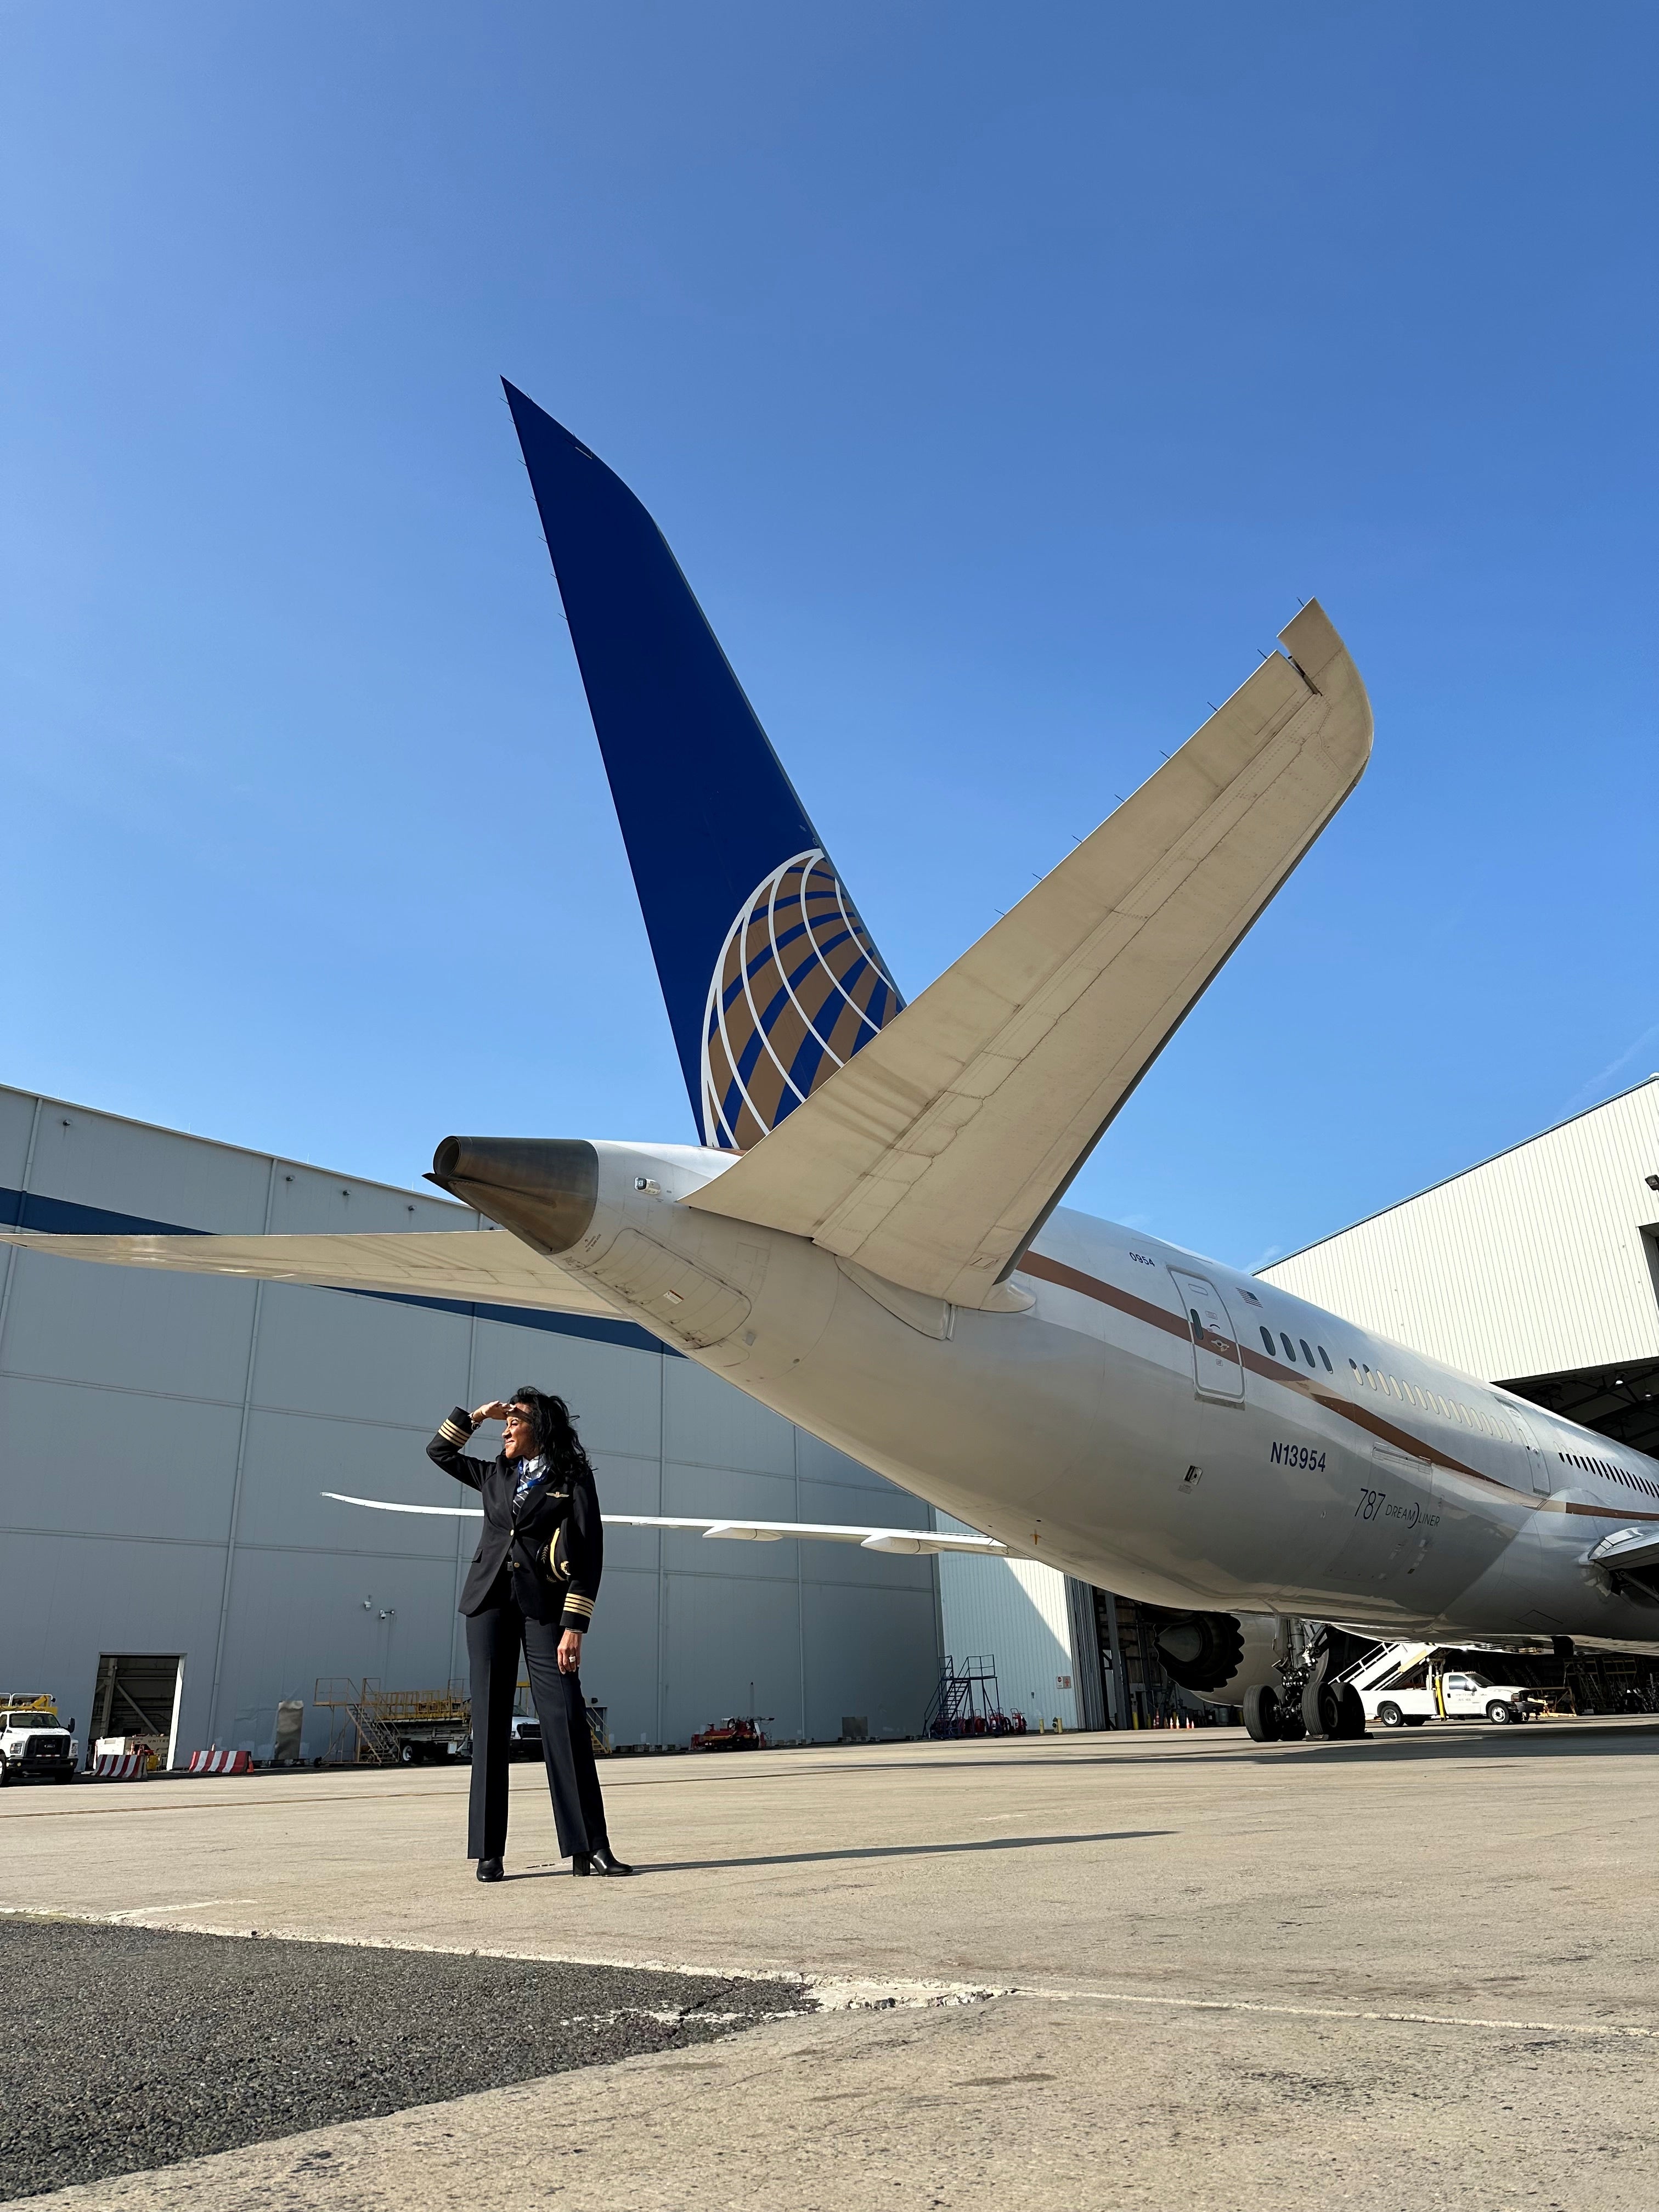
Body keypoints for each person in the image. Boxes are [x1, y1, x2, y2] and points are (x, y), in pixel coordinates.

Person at [428, 1389, 631, 1881]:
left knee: (565, 1719)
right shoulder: (494, 1474)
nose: (505, 1431)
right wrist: (477, 1414)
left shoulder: (571, 1479)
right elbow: (440, 1452)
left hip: (546, 1610)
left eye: (513, 1423)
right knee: (491, 1726)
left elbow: (589, 1554)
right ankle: (488, 1852)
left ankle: (591, 1847)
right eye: (503, 1423)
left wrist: (574, 1626)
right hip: (488, 1605)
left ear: (538, 1428)